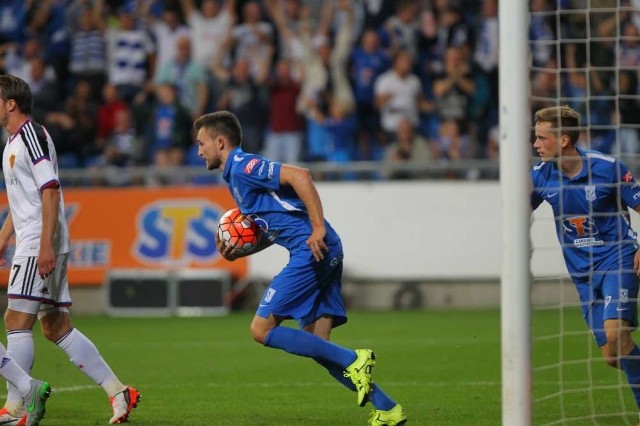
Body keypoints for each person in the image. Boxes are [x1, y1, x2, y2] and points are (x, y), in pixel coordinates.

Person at [194, 111, 407, 426]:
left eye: (202, 143)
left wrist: (317, 226)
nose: (199, 151)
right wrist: (244, 250)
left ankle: (355, 359)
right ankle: (387, 407)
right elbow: (274, 225)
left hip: (311, 250)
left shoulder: (243, 166)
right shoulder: (234, 178)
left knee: (260, 330)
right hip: (324, 248)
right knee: (318, 346)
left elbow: (300, 176)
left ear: (220, 142)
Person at [0, 75, 141, 425]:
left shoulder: (31, 135)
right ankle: (117, 391)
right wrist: (3, 237)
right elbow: (24, 203)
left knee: (16, 319)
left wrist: (45, 244)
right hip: (36, 237)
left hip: (38, 242)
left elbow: (50, 190)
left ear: (11, 103)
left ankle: (17, 406)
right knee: (55, 325)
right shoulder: (12, 142)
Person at [530, 105, 640, 426]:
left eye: (541, 138)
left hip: (617, 259)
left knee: (615, 332)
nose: (536, 144)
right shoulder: (540, 176)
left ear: (563, 140)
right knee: (613, 356)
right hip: (582, 274)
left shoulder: (608, 168)